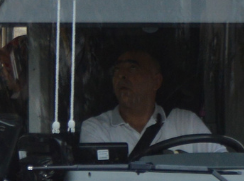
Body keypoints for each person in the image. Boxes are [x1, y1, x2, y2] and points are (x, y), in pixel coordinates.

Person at [80, 49, 225, 155]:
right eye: (117, 70)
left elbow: (222, 165)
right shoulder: (96, 129)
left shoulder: (186, 124)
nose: (121, 75)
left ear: (156, 81)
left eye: (132, 68)